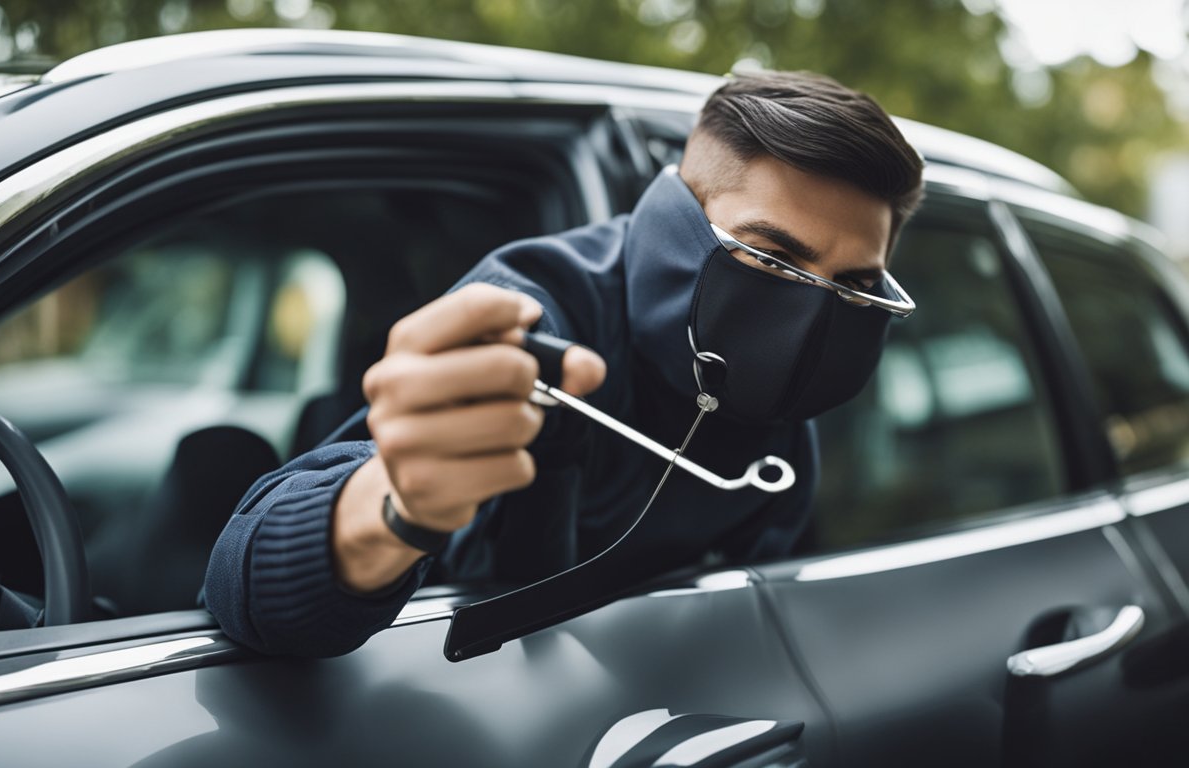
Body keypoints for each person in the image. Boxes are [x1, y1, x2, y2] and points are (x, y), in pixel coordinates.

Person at [204, 70, 924, 656]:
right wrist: (394, 504)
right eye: (770, 257)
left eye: (854, 286)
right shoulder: (532, 317)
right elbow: (245, 578)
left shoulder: (789, 420)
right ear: (677, 223)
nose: (809, 317)